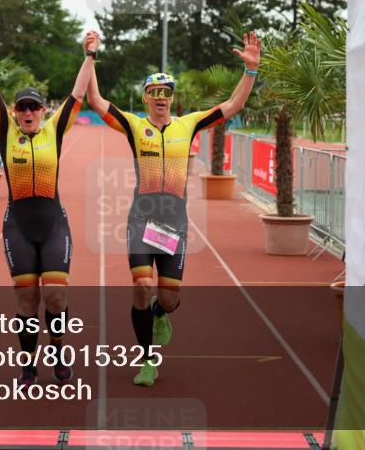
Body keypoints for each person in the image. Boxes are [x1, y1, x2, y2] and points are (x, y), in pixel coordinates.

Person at [85, 30, 261, 387]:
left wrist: (251, 72)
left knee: (168, 296)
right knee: (140, 285)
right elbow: (96, 101)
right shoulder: (135, 126)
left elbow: (231, 107)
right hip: (141, 221)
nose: (161, 98)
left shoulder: (189, 124)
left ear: (172, 97)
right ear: (146, 98)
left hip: (174, 225)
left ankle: (159, 313)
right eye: (154, 93)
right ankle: (148, 359)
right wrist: (90, 56)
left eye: (167, 92)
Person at [0, 17, 98, 386]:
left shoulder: (55, 130)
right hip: (18, 226)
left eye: (33, 108)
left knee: (55, 297)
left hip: (53, 223)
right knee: (26, 302)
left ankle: (57, 354)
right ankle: (28, 366)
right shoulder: (6, 129)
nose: (26, 112)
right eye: (22, 107)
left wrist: (89, 56)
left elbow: (77, 94)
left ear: (42, 111)